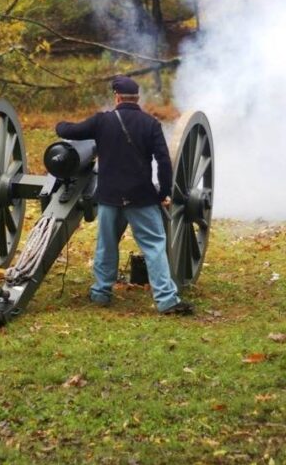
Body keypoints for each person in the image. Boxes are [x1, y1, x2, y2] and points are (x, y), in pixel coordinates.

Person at [55, 75, 192, 315]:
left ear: (116, 97)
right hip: (141, 196)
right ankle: (166, 300)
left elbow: (72, 131)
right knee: (154, 247)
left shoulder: (102, 122)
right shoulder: (151, 125)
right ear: (137, 99)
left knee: (106, 246)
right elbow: (163, 161)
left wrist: (60, 125)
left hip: (109, 196)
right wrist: (163, 192)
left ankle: (101, 293)